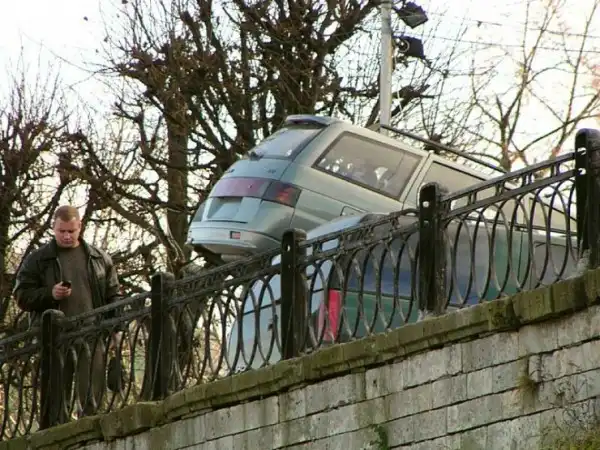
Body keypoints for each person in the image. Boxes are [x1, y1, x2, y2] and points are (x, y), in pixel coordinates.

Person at [13, 205, 123, 419]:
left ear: (79, 227)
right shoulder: (38, 260)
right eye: (61, 231)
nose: (66, 236)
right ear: (53, 228)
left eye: (71, 231)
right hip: (55, 338)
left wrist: (116, 329)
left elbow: (114, 295)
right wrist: (50, 293)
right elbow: (21, 295)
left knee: (91, 397)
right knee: (56, 398)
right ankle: (58, 429)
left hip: (91, 333)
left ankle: (90, 429)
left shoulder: (99, 258)